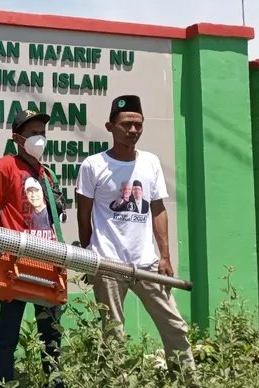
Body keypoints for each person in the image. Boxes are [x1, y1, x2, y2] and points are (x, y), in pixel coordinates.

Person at [75, 95, 194, 371]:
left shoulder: (150, 162)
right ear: (110, 127)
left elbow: (158, 209)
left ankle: (187, 378)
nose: (133, 130)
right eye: (126, 124)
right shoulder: (93, 166)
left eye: (138, 125)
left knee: (174, 325)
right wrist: (89, 255)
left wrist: (164, 256)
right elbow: (84, 216)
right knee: (113, 333)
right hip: (107, 263)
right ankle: (116, 379)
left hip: (147, 263)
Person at [0, 109, 66, 385]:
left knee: (51, 337)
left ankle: (55, 382)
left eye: (42, 133)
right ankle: (1, 381)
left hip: (48, 265)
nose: (39, 138)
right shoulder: (4, 167)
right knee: (8, 334)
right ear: (17, 138)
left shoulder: (47, 174)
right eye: (33, 134)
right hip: (15, 264)